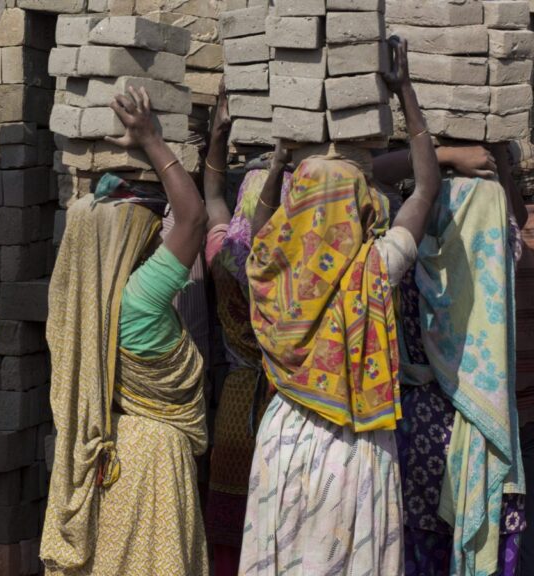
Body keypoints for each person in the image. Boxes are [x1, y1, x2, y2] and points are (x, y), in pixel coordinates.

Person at [239, 37, 442, 574]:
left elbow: (262, 232)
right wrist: (405, 93)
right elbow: (425, 187)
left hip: (282, 439)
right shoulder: (374, 271)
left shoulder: (267, 275)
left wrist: (281, 161)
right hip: (351, 448)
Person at [41, 86, 210, 575]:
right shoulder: (138, 301)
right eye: (151, 220)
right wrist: (152, 140)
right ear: (129, 233)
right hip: (154, 458)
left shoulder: (78, 303)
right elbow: (194, 218)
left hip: (109, 458)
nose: (160, 230)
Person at [377, 139, 528, 575]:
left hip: (411, 429)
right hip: (479, 433)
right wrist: (493, 157)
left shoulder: (398, 249)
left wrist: (439, 154)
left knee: (417, 552)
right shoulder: (493, 261)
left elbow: (368, 170)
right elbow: (512, 221)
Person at [197, 88, 291, 576]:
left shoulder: (224, 258)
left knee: (230, 528)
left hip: (235, 403)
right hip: (283, 403)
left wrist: (218, 133)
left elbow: (212, 194)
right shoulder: (291, 273)